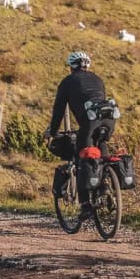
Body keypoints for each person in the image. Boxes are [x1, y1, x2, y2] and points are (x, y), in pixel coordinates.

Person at [43, 50, 117, 216]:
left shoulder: (67, 82)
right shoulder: (97, 79)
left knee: (81, 157)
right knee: (100, 145)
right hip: (109, 120)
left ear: (71, 67)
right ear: (87, 65)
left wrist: (53, 132)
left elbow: (59, 111)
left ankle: (85, 205)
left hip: (89, 122)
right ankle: (106, 184)